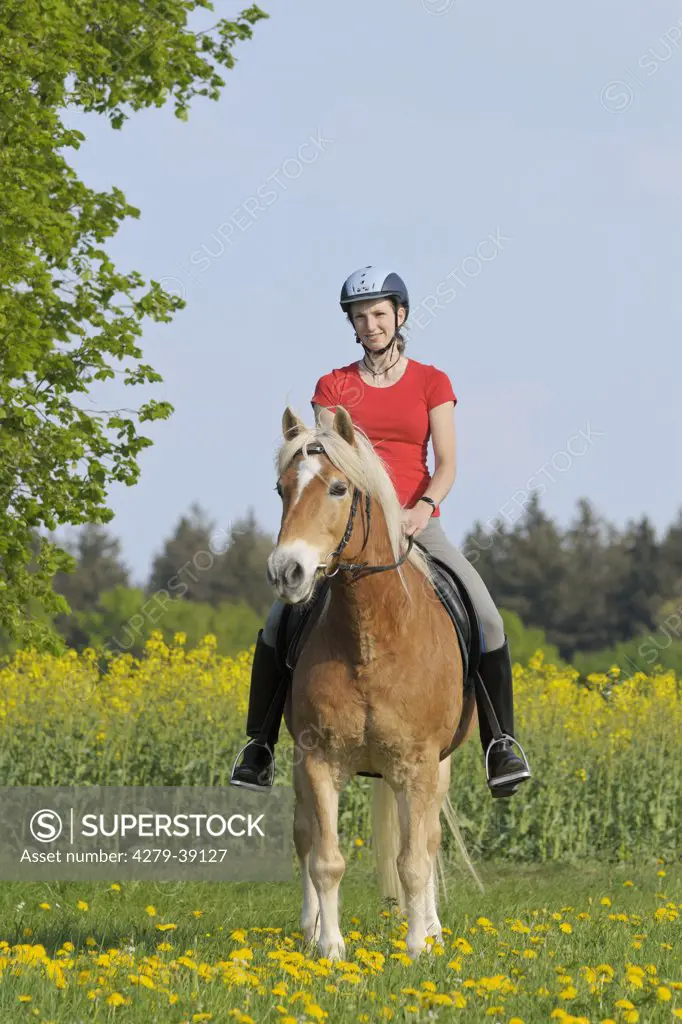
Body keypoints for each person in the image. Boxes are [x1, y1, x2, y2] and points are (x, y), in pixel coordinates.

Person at [230, 266, 531, 798]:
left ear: (400, 316)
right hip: (348, 532)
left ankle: (500, 744)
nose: (369, 324)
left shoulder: (431, 382)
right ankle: (258, 747)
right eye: (359, 316)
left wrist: (423, 508)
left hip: (418, 525)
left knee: (487, 616)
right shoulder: (334, 386)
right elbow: (322, 460)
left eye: (378, 314)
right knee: (278, 623)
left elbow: (448, 463)